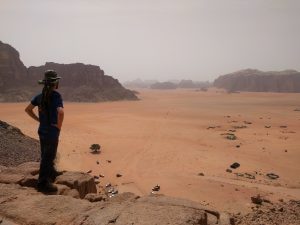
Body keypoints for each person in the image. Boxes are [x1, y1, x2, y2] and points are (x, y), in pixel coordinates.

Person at [25, 70, 64, 192]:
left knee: (45, 154)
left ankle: (51, 173)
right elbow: (61, 112)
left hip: (42, 130)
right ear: (54, 83)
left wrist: (39, 120)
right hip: (52, 131)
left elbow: (28, 109)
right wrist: (58, 126)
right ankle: (43, 183)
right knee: (49, 155)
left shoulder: (39, 96)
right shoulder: (56, 96)